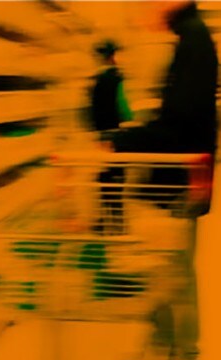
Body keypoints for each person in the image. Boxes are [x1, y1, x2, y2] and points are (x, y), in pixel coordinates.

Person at [113, 1, 218, 360]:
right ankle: (160, 340)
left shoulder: (194, 40)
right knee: (162, 262)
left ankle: (185, 354)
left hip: (182, 174)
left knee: (177, 268)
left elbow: (184, 121)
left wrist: (123, 141)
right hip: (172, 173)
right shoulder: (186, 37)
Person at [88, 39, 132, 235]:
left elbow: (91, 110)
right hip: (116, 134)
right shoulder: (117, 77)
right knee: (116, 177)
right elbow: (123, 106)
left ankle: (106, 221)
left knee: (104, 177)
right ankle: (119, 222)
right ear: (113, 56)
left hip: (101, 135)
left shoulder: (95, 79)